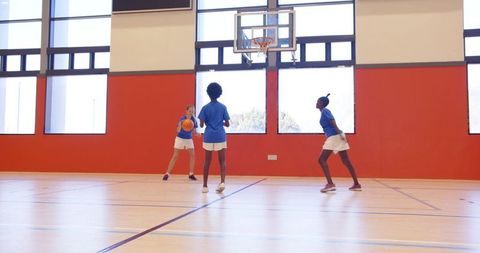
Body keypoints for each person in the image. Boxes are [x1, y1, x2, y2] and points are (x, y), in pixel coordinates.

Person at [316, 93, 361, 193]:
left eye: (318, 101)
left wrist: (339, 132)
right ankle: (357, 184)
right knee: (346, 161)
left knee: (321, 160)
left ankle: (330, 184)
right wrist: (340, 134)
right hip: (337, 136)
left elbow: (332, 121)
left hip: (334, 136)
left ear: (322, 103)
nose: (316, 103)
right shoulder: (323, 111)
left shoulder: (325, 111)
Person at [198, 82, 230, 194]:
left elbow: (201, 125)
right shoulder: (223, 107)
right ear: (219, 93)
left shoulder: (205, 108)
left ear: (208, 93)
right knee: (222, 161)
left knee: (207, 161)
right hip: (220, 136)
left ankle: (205, 186)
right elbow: (227, 124)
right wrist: (220, 122)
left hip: (209, 136)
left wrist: (207, 121)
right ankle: (222, 182)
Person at [163, 105, 199, 181]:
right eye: (190, 111)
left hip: (189, 139)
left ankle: (191, 174)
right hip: (180, 138)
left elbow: (194, 131)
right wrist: (180, 125)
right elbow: (178, 130)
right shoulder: (182, 119)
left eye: (193, 111)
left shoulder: (194, 120)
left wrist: (197, 134)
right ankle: (167, 174)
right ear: (186, 111)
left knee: (192, 155)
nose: (191, 113)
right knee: (175, 156)